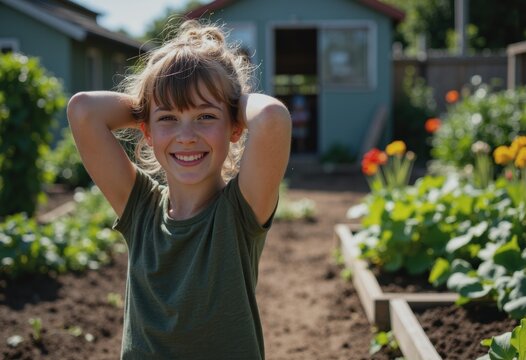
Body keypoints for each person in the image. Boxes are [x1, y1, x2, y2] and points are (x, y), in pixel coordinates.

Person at [67, 20, 291, 359]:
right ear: (147, 131)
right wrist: (155, 101)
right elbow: (83, 110)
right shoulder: (139, 207)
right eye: (168, 118)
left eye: (205, 117)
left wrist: (218, 101)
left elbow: (272, 117)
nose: (186, 135)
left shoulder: (238, 213)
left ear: (235, 127)